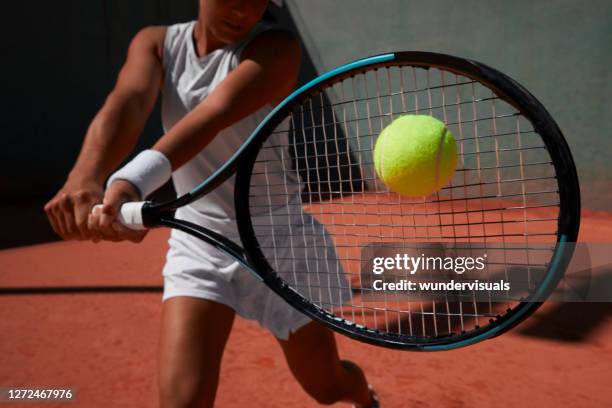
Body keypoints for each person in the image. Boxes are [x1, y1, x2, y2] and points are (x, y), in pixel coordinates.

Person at [44, 0, 379, 407]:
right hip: (198, 241)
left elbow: (215, 112)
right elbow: (128, 101)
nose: (241, 11)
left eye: (256, 0)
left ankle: (364, 398)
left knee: (326, 387)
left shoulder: (277, 48)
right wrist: (84, 176)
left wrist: (131, 181)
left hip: (281, 244)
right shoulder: (155, 44)